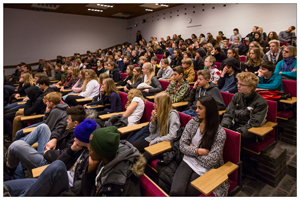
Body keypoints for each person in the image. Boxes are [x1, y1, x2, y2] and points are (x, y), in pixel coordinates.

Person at [4, 119, 98, 196]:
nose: (74, 138)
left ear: (85, 140)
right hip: (53, 174)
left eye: (77, 137)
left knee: (57, 166)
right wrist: (71, 150)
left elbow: (80, 186)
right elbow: (59, 160)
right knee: (5, 187)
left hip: (63, 187)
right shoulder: (78, 148)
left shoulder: (91, 158)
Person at [4, 105, 87, 180]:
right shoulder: (71, 127)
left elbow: (65, 156)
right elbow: (58, 130)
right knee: (43, 127)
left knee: (16, 145)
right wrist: (54, 138)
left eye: (69, 119)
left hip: (50, 161)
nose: (67, 120)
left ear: (76, 123)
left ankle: (10, 169)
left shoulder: (77, 138)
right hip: (51, 151)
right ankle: (17, 153)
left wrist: (48, 153)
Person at [170, 96, 229, 197]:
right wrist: (199, 151)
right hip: (188, 161)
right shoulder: (193, 123)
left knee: (187, 194)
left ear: (209, 110)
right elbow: (182, 146)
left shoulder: (219, 133)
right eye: (196, 107)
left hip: (205, 168)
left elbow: (211, 161)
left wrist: (191, 149)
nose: (196, 110)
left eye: (200, 108)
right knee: (176, 192)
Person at [221, 72, 268, 146]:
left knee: (231, 142)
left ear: (251, 87)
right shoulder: (237, 96)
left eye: (241, 85)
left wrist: (238, 132)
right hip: (236, 126)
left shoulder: (260, 102)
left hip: (251, 132)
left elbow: (254, 123)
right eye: (238, 83)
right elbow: (229, 113)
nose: (238, 86)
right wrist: (224, 126)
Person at [132, 91, 181, 163]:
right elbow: (152, 132)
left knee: (144, 157)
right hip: (152, 139)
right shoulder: (159, 112)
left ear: (162, 104)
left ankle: (136, 171)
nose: (153, 105)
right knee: (134, 146)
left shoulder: (173, 115)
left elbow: (172, 136)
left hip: (163, 144)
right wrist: (153, 120)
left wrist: (155, 141)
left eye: (156, 103)